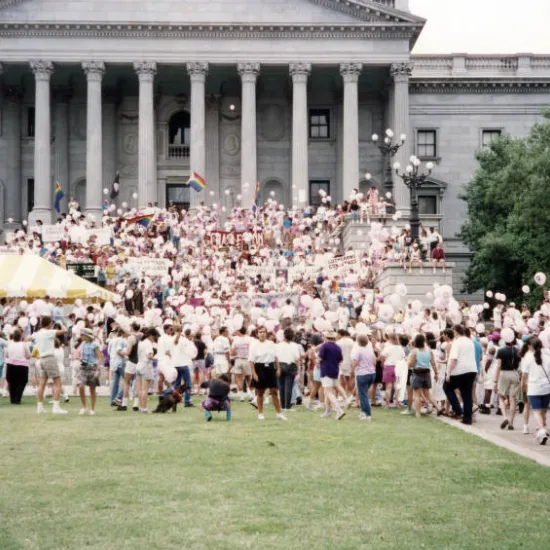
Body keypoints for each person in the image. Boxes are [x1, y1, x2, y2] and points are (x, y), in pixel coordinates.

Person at [248, 327, 287, 421]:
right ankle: (260, 413)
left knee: (274, 391)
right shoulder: (254, 345)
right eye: (260, 332)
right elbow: (251, 361)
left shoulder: (271, 344)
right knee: (260, 392)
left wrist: (278, 368)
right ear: (257, 334)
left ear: (266, 333)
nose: (262, 334)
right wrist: (254, 373)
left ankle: (279, 413)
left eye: (264, 332)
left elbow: (276, 357)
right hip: (259, 367)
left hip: (270, 367)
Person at [444, 325, 478, 425]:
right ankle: (467, 418)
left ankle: (458, 409)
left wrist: (448, 373)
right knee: (467, 394)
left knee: (447, 387)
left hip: (460, 371)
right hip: (471, 370)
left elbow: (453, 359)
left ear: (455, 332)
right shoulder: (469, 341)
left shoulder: (457, 342)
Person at [34, 316, 68, 415]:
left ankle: (39, 407)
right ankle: (56, 407)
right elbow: (65, 331)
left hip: (42, 359)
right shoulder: (49, 332)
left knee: (42, 384)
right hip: (49, 358)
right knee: (58, 383)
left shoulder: (39, 333)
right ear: (49, 324)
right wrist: (60, 323)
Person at [520, 337, 550, 445]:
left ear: (531, 346)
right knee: (543, 409)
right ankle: (542, 428)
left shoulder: (528, 358)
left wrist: (523, 384)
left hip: (534, 387)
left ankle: (541, 429)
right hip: (546, 387)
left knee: (536, 410)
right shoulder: (547, 357)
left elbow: (524, 375)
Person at [407, 333, 441, 418]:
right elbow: (433, 364)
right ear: (424, 341)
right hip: (427, 373)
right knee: (428, 394)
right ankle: (438, 408)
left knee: (417, 395)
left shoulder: (415, 351)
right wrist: (436, 373)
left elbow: (411, 364)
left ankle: (418, 413)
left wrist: (409, 362)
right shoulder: (429, 351)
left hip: (417, 373)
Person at [493, 327, 521, 430]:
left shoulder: (501, 351)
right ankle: (511, 422)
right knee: (512, 398)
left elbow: (498, 366)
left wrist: (495, 381)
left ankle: (505, 417)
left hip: (504, 374)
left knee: (501, 396)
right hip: (515, 373)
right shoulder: (518, 350)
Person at [318, 331, 346, 420]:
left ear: (326, 337)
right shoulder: (338, 347)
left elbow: (320, 358)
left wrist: (317, 361)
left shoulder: (324, 346)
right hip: (335, 370)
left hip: (326, 370)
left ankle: (339, 410)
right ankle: (328, 411)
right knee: (328, 392)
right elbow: (340, 360)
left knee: (328, 392)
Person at [77, 328, 103, 415]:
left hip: (92, 368)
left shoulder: (94, 345)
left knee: (92, 389)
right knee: (81, 386)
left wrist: (97, 370)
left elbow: (100, 357)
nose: (81, 336)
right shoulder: (83, 344)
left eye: (82, 334)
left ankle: (92, 409)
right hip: (83, 368)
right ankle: (83, 407)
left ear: (87, 335)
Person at [351, 334, 376, 420]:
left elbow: (355, 362)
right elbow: (374, 361)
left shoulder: (358, 350)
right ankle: (363, 411)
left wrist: (352, 369)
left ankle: (367, 413)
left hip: (362, 373)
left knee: (363, 394)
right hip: (371, 373)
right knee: (364, 393)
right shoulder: (370, 350)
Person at [276, 327, 301, 411]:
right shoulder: (295, 346)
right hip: (290, 366)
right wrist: (298, 370)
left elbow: (275, 357)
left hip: (280, 365)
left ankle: (282, 405)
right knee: (288, 387)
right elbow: (297, 359)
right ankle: (287, 406)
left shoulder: (278, 345)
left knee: (281, 386)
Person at [172, 327, 197, 407]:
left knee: (177, 383)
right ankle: (187, 401)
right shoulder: (185, 341)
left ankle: (174, 399)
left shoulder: (172, 339)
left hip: (175, 364)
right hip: (183, 364)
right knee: (187, 384)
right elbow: (191, 354)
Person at [136, 328, 159, 414]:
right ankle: (144, 407)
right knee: (145, 389)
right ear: (151, 336)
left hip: (139, 365)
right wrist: (156, 358)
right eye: (154, 337)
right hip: (146, 365)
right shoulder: (148, 344)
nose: (155, 339)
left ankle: (141, 407)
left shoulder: (141, 342)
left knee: (141, 389)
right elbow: (149, 356)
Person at [5, 329, 31, 404]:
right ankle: (17, 398)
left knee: (11, 382)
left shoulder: (9, 344)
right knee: (22, 382)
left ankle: (12, 399)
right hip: (22, 366)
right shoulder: (24, 344)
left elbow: (7, 355)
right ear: (20, 337)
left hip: (10, 365)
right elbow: (28, 356)